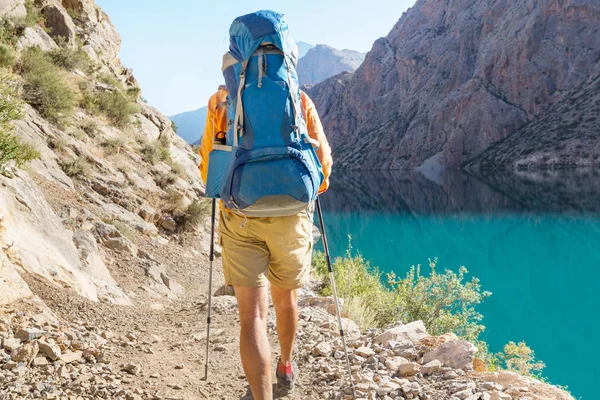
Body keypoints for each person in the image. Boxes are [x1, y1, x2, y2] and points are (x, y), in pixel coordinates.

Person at [199, 85, 332, 399]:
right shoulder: (298, 98)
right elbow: (323, 164)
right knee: (286, 300)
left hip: (240, 216)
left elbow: (208, 168)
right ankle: (285, 365)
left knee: (253, 315)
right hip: (291, 216)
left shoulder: (220, 100)